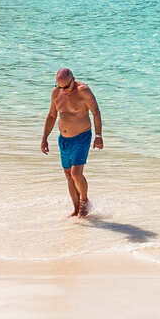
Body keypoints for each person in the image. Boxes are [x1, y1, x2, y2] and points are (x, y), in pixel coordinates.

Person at [41, 68, 103, 217]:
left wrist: (98, 135)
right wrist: (44, 138)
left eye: (66, 87)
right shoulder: (56, 93)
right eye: (60, 86)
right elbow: (51, 116)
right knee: (68, 175)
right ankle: (76, 210)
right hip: (64, 140)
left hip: (82, 137)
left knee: (76, 173)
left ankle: (84, 200)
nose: (63, 90)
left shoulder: (84, 91)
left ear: (73, 80)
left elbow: (96, 112)